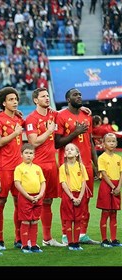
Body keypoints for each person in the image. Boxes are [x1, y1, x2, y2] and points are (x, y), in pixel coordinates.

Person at [55, 88, 99, 245]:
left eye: (80, 94)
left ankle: (82, 234)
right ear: (68, 99)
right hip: (69, 166)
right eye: (75, 95)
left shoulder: (87, 115)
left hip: (86, 164)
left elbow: (91, 141)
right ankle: (66, 235)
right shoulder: (61, 116)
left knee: (85, 200)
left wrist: (96, 164)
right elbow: (57, 143)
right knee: (68, 201)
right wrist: (75, 132)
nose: (79, 97)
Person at [25, 88, 65, 247]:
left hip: (51, 164)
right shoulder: (31, 119)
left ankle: (47, 238)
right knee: (34, 201)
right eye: (43, 96)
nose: (47, 98)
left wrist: (79, 108)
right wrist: (49, 130)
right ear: (36, 100)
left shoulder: (52, 114)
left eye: (48, 95)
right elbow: (33, 142)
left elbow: (64, 113)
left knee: (48, 201)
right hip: (37, 166)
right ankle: (27, 238)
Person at [0, 86, 25, 250]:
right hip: (3, 167)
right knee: (0, 202)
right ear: (3, 103)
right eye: (11, 99)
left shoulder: (19, 119)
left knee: (20, 202)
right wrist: (15, 133)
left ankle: (19, 238)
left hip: (19, 167)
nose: (15, 101)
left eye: (16, 99)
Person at [14, 143, 46, 253]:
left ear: (34, 155)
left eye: (31, 153)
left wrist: (40, 194)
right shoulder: (19, 168)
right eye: (26, 153)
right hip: (25, 197)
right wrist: (27, 196)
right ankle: (24, 245)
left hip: (37, 197)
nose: (28, 155)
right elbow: (17, 184)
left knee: (35, 220)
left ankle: (33, 244)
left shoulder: (37, 168)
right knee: (26, 221)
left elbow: (43, 182)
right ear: (21, 155)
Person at [59, 143, 88, 251]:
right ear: (65, 154)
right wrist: (72, 197)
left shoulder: (81, 166)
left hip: (79, 195)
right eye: (67, 150)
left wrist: (80, 197)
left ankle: (76, 242)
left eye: (72, 149)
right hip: (68, 196)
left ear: (77, 153)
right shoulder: (63, 167)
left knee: (78, 219)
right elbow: (63, 184)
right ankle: (70, 242)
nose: (69, 151)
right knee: (68, 219)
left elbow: (84, 182)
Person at [96, 133, 122, 247]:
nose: (111, 143)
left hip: (117, 186)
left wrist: (119, 187)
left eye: (113, 141)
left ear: (116, 143)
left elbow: (121, 174)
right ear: (103, 144)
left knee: (114, 213)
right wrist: (113, 187)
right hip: (107, 186)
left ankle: (114, 239)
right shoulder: (101, 158)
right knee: (105, 212)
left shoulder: (119, 158)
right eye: (109, 141)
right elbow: (104, 174)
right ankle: (104, 240)